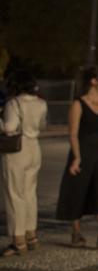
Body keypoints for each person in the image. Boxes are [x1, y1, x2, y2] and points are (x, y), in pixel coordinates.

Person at [56, 66, 98, 248]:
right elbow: (73, 133)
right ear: (94, 80)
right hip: (83, 151)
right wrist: (76, 157)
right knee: (78, 190)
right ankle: (76, 232)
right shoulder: (78, 103)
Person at [2, 71, 47, 256]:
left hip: (16, 150)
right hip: (34, 148)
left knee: (14, 195)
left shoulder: (14, 103)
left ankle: (17, 239)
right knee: (30, 193)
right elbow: (43, 125)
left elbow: (10, 128)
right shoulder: (41, 103)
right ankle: (31, 235)